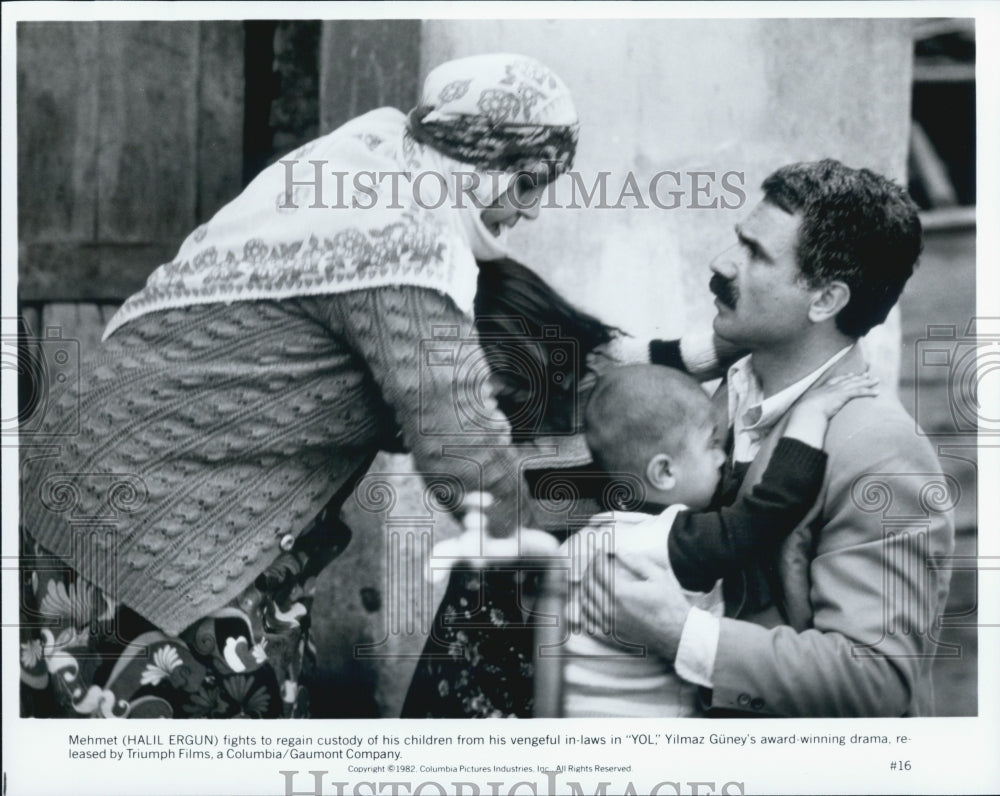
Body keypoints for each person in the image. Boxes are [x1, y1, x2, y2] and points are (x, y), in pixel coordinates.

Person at [18, 53, 589, 719]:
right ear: (483, 162)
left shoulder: (368, 155)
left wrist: (683, 355)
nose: (536, 210)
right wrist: (551, 540)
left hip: (72, 481)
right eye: (528, 184)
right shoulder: (410, 238)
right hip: (159, 525)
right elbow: (459, 450)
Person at [588, 159, 955, 717]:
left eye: (756, 254)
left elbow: (877, 680)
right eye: (740, 240)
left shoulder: (881, 449)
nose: (721, 263)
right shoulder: (727, 384)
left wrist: (680, 633)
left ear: (826, 300)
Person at [561, 364, 878, 717]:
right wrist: (809, 415)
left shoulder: (585, 543)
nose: (722, 456)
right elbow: (768, 513)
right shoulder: (665, 545)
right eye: (711, 443)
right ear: (664, 472)